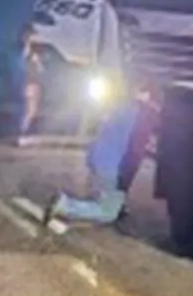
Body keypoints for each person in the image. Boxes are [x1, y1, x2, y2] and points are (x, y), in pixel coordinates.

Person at [43, 93, 155, 224]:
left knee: (106, 191)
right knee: (108, 212)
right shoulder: (145, 118)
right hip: (110, 165)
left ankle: (112, 200)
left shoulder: (125, 106)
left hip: (96, 154)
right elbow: (132, 155)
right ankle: (65, 205)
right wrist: (122, 185)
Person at [15, 25, 45, 146]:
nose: (35, 37)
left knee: (33, 111)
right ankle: (22, 134)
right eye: (32, 35)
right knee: (28, 111)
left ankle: (28, 134)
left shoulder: (32, 51)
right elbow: (22, 66)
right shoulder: (25, 51)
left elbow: (40, 69)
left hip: (34, 83)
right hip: (29, 83)